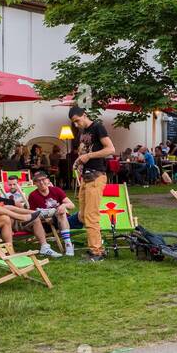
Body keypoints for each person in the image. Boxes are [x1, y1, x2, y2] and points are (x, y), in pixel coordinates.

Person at [70, 106, 114, 262]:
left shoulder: (98, 127)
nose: (76, 125)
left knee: (91, 215)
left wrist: (88, 156)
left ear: (84, 115)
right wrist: (79, 160)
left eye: (77, 120)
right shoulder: (83, 132)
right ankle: (95, 246)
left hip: (96, 177)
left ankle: (97, 252)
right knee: (82, 215)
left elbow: (110, 149)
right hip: (86, 177)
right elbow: (84, 153)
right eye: (74, 122)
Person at [0, 179, 60, 257]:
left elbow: (18, 205)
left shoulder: (0, 199)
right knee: (6, 210)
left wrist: (23, 204)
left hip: (13, 223)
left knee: (35, 219)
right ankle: (35, 214)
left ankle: (45, 247)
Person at [27, 171, 79, 256]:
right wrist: (45, 219)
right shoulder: (33, 196)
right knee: (61, 214)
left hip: (63, 220)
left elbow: (72, 205)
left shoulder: (56, 190)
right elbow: (33, 215)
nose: (41, 182)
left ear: (48, 180)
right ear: (35, 183)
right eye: (38, 180)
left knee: (67, 213)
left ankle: (69, 244)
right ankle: (68, 244)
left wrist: (63, 205)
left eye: (43, 179)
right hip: (47, 224)